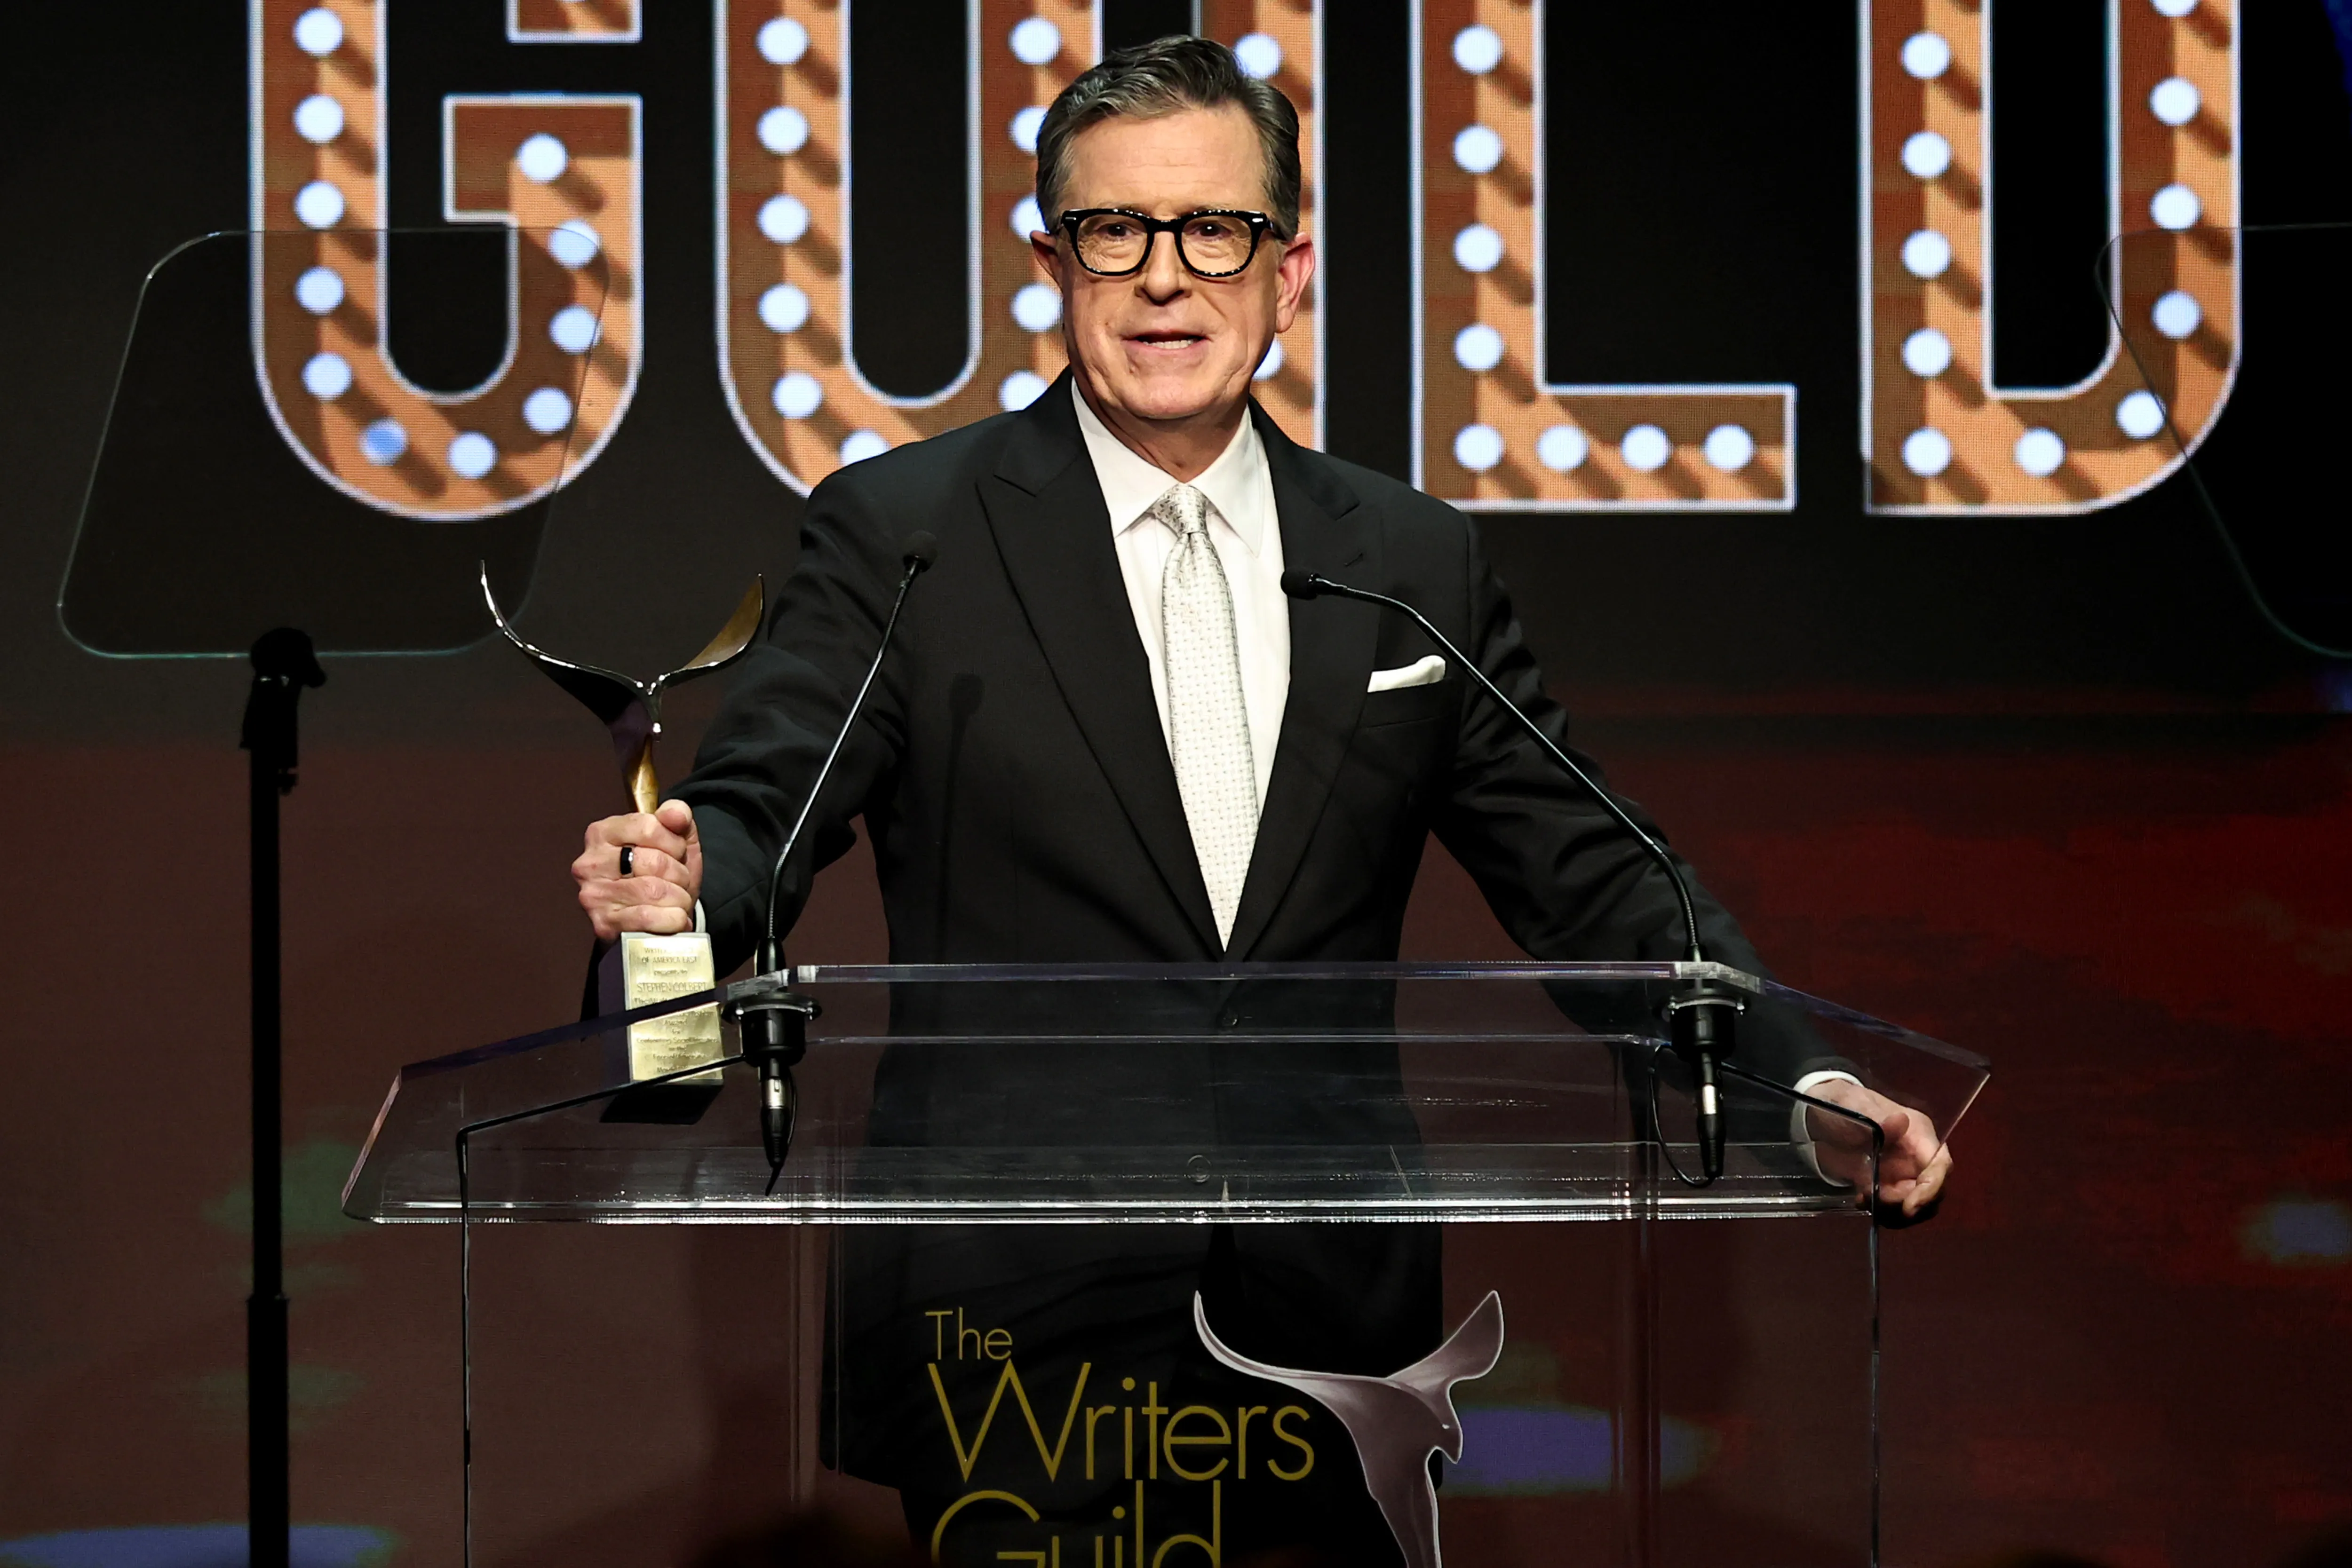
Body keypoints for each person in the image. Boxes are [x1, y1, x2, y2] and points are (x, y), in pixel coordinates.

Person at [570, 35, 1950, 1558]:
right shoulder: (912, 534)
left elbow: (1599, 875)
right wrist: (686, 907)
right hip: (1018, 1340)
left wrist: (1796, 1084)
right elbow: (766, 805)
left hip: (1331, 1335)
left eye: (1213, 230)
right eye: (1117, 230)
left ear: (1289, 273)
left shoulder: (1408, 563)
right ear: (1054, 262)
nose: (1166, 277)